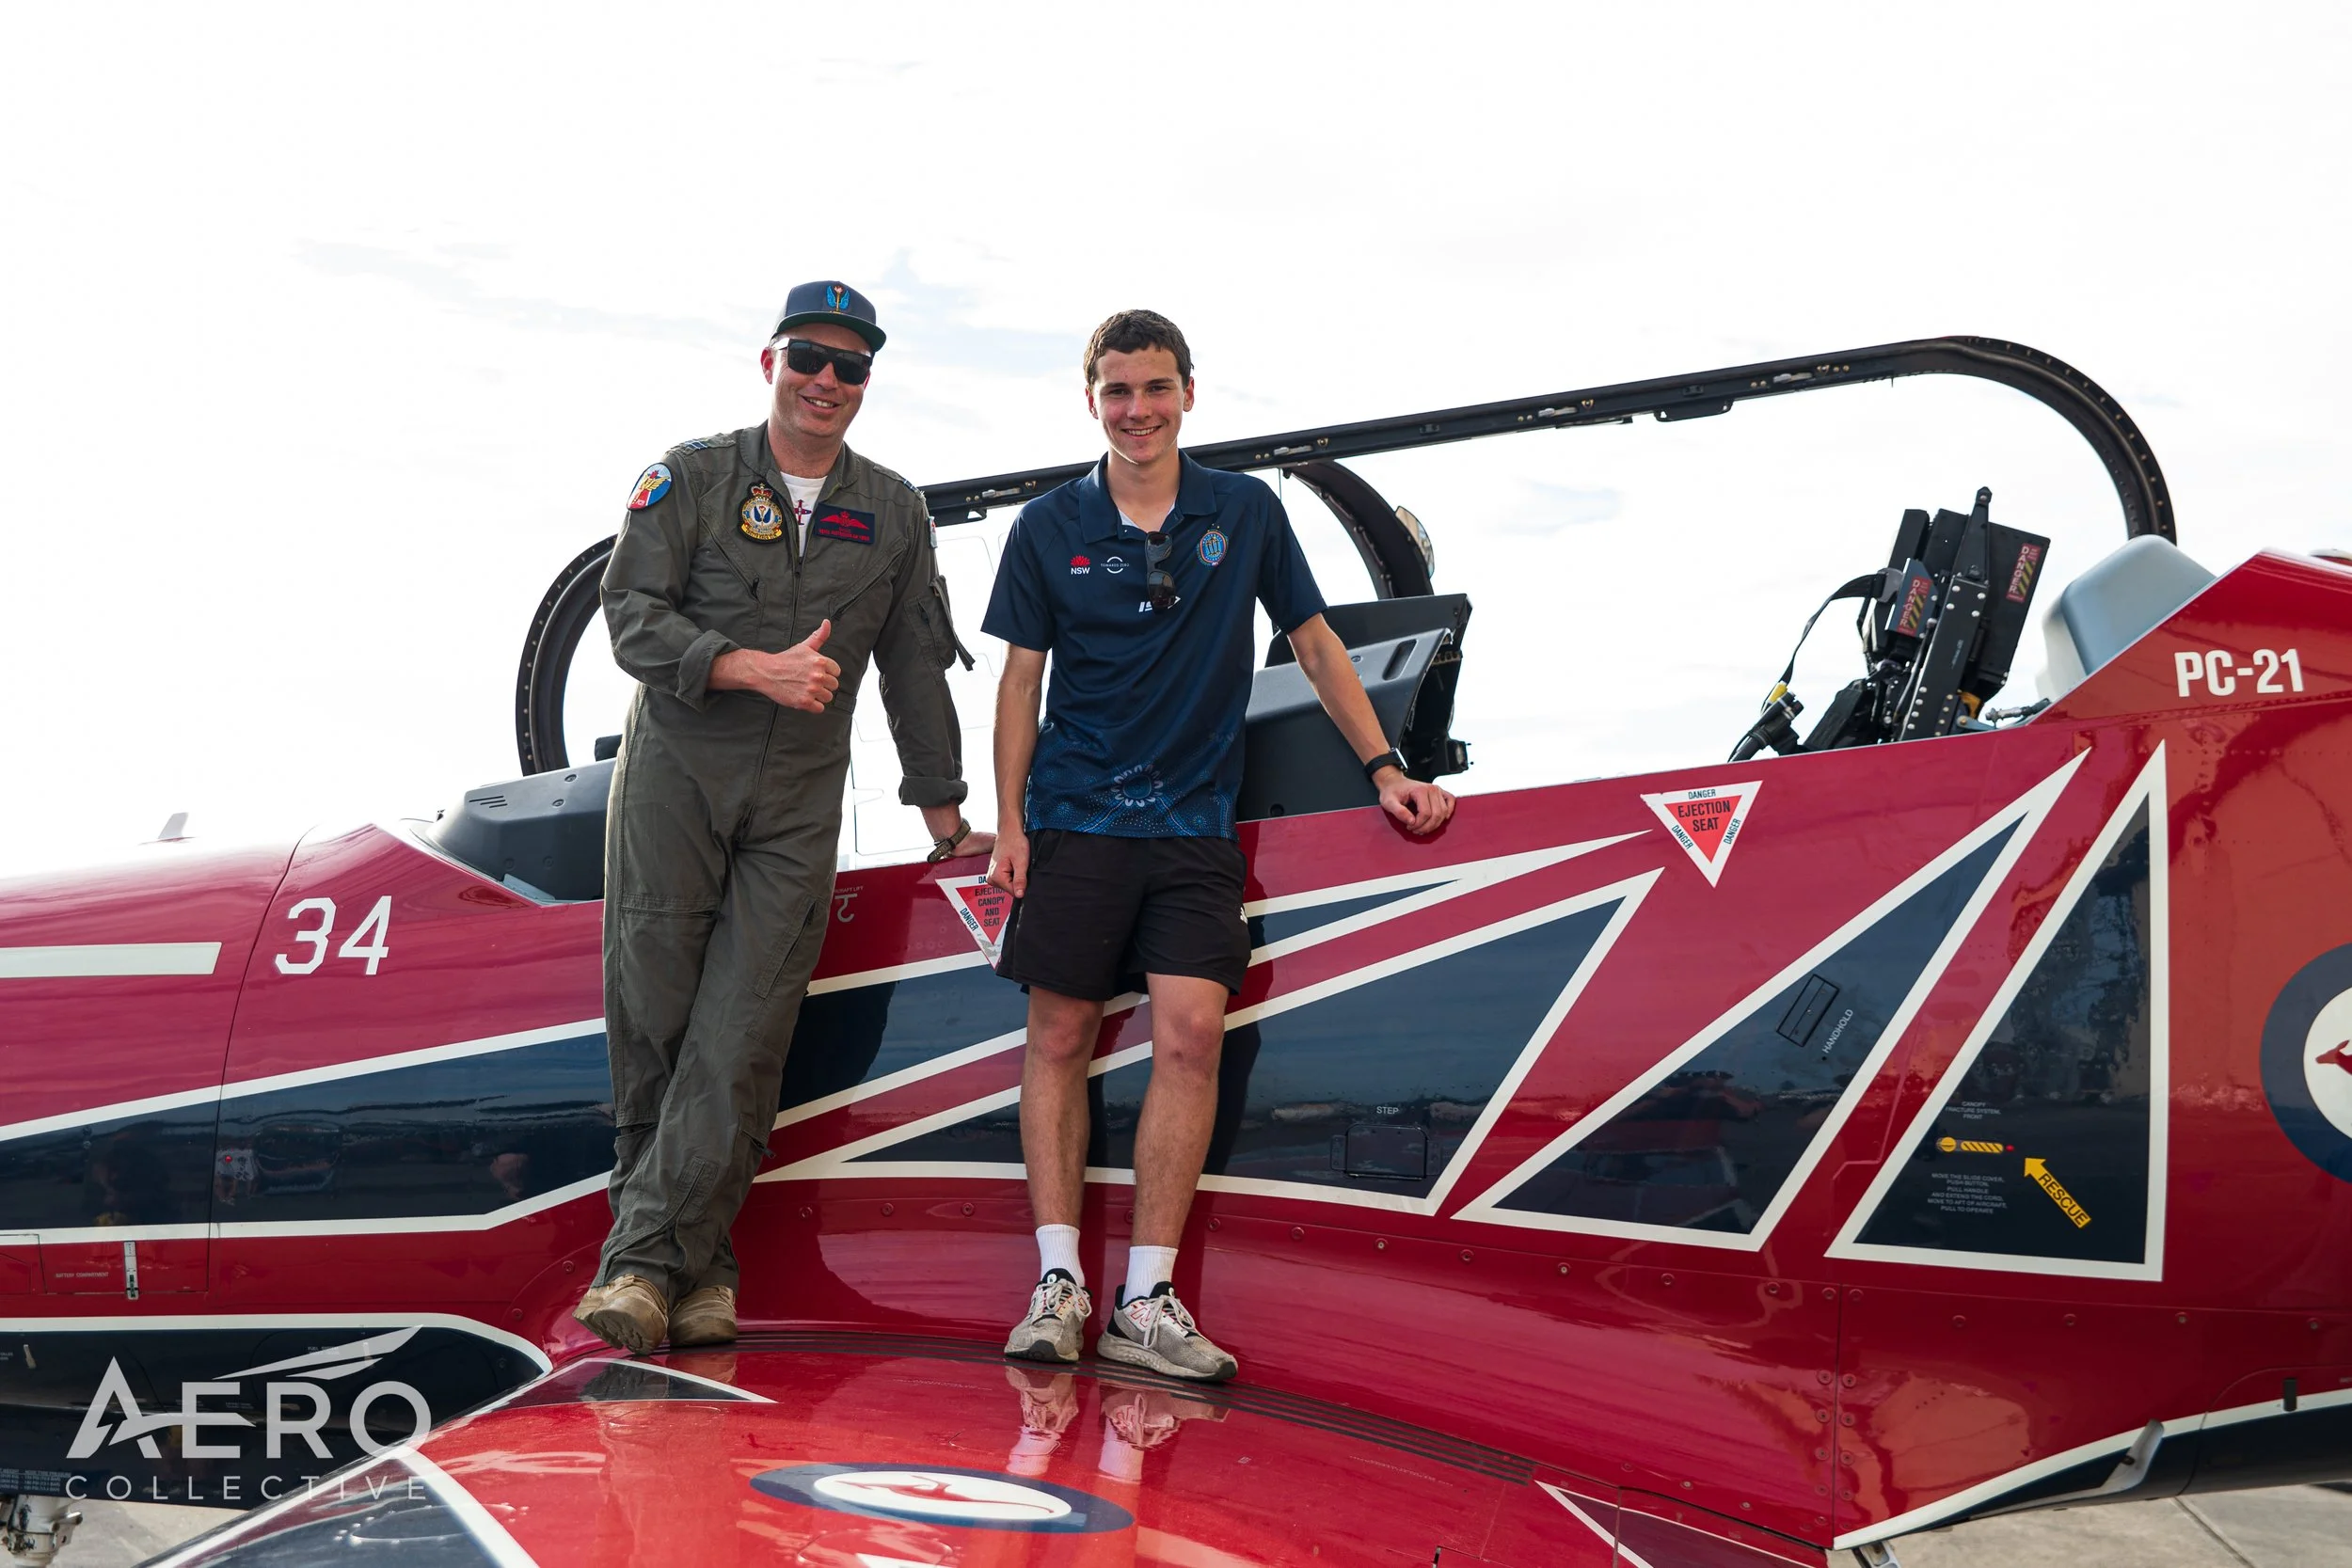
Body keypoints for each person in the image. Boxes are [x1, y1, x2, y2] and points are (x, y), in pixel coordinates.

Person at [981, 309, 1454, 1381]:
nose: (1136, 410)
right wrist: (1010, 823)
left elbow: (1317, 642)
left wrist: (1385, 770)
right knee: (1057, 1039)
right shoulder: (1047, 524)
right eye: (1115, 390)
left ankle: (1145, 1299)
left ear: (1189, 392)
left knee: (1191, 1034)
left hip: (1192, 825)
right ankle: (1059, 1281)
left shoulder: (1240, 511)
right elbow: (1020, 680)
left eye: (1154, 388)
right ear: (1090, 399)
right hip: (1075, 818)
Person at [576, 280, 991, 1354]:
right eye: (810, 356)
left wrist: (946, 818)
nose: (828, 381)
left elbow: (912, 666)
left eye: (851, 367)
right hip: (677, 775)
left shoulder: (893, 510)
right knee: (655, 1029)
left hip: (800, 799)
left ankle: (637, 1266)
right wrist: (742, 664)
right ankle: (698, 1274)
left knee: (745, 1031)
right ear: (771, 362)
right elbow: (628, 615)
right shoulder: (695, 475)